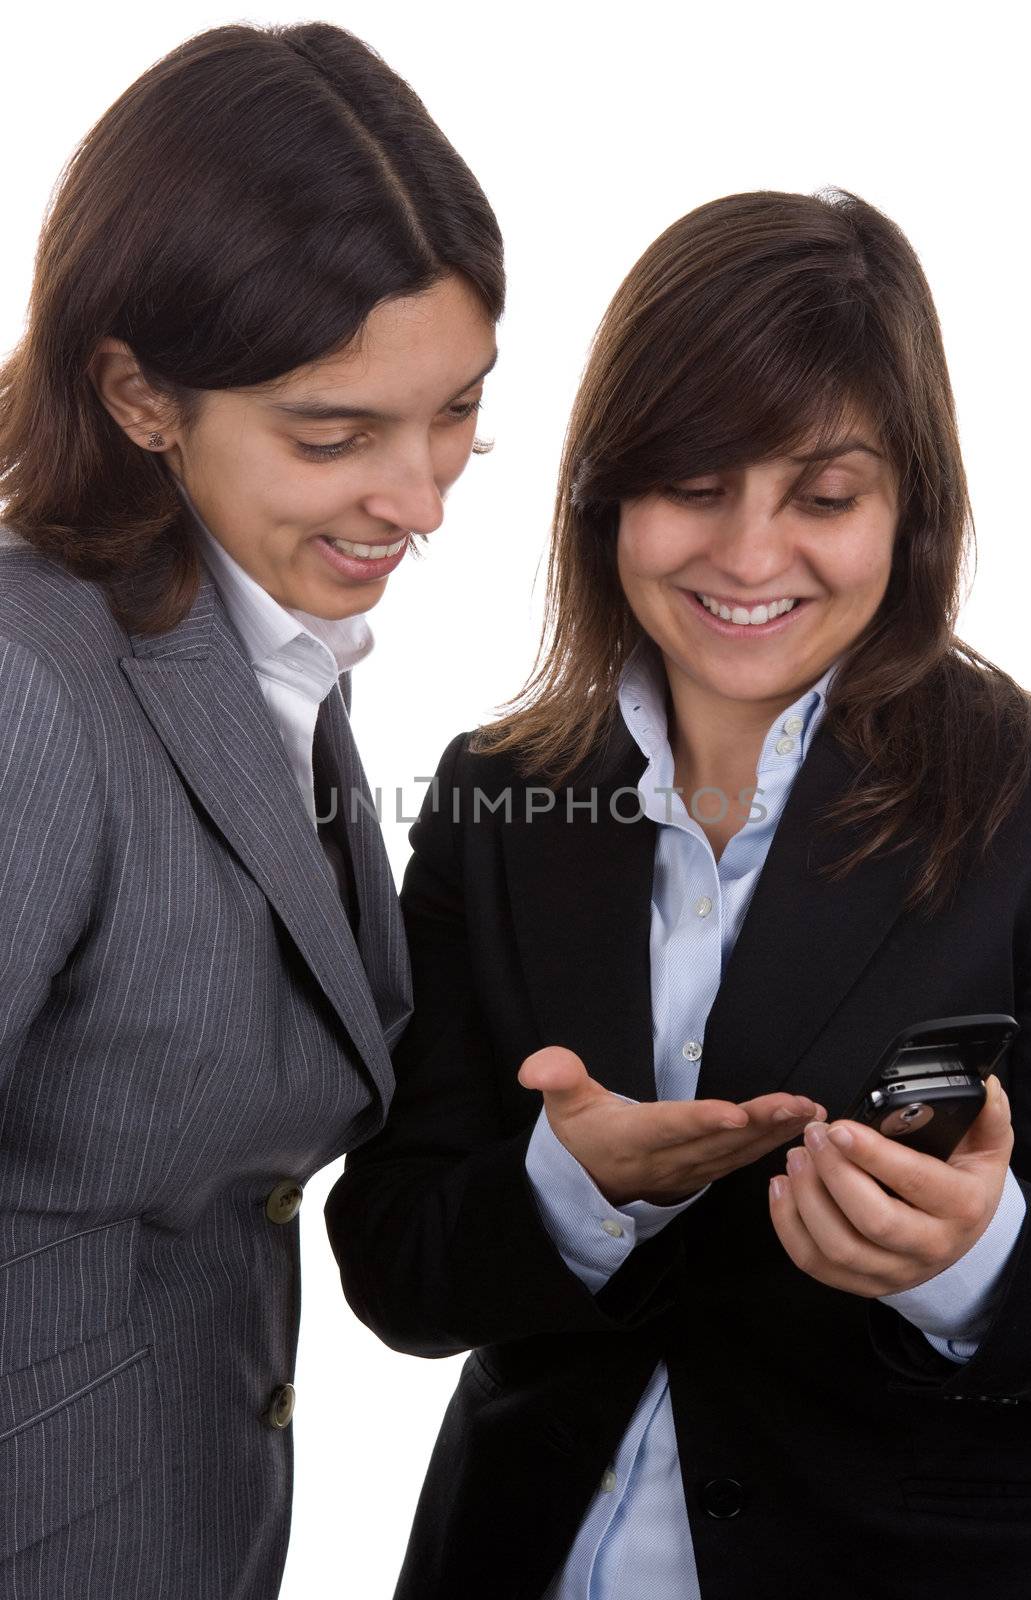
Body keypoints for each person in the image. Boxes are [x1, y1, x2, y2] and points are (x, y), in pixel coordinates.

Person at [325, 188, 1031, 1599]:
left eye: (822, 496)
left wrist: (977, 1260)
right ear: (607, 492)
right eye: (693, 484)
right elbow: (395, 1259)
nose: (745, 554)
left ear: (908, 508)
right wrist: (567, 1193)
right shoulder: (494, 793)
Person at [0, 21, 501, 1597]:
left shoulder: (258, 651)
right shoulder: (30, 688)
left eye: (454, 411)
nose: (418, 500)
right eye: (333, 435)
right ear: (141, 396)